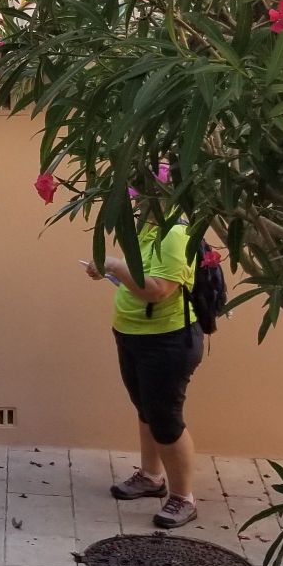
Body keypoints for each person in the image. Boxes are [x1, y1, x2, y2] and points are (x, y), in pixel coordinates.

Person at [83, 215, 203, 529]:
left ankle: (183, 497)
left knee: (165, 418)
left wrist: (113, 265)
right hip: (132, 334)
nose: (133, 200)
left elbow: (159, 290)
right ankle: (151, 476)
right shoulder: (145, 227)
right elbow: (140, 274)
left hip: (166, 340)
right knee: (146, 410)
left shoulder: (175, 233)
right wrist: (110, 270)